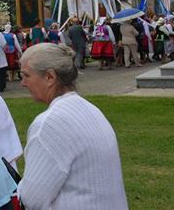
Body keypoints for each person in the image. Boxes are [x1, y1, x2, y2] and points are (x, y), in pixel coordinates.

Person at [17, 43, 128, 210]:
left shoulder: (49, 124)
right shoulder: (89, 109)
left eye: (26, 75)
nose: (23, 83)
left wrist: (20, 189)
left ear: (50, 77)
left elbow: (32, 199)